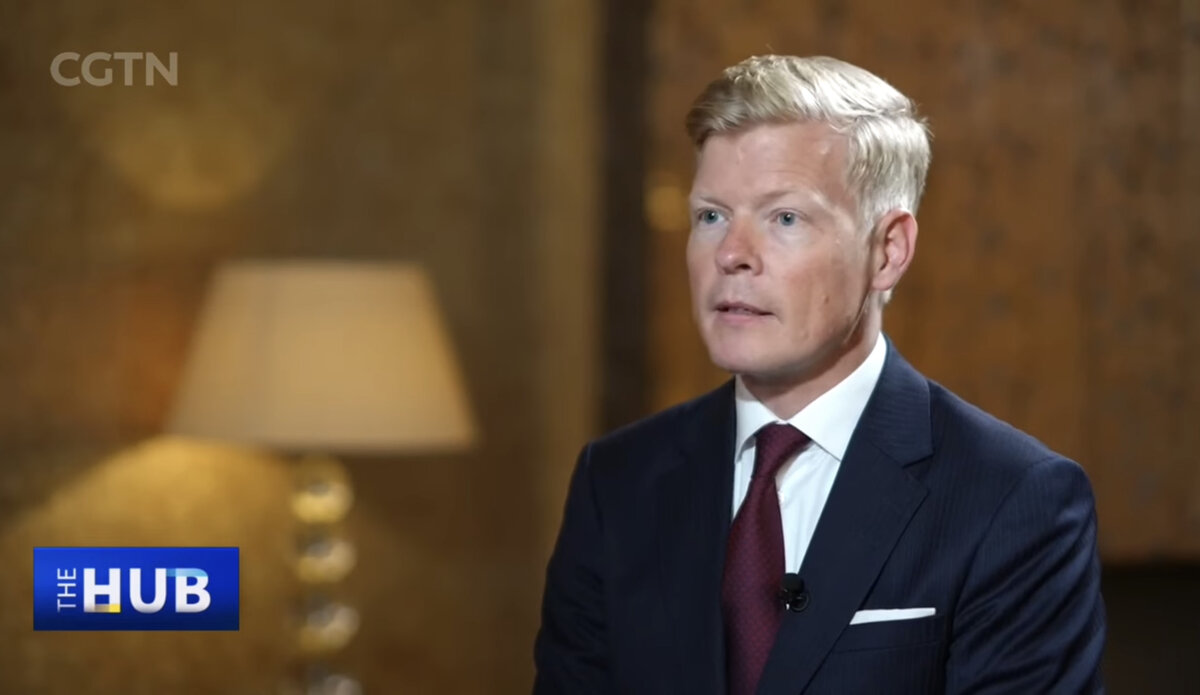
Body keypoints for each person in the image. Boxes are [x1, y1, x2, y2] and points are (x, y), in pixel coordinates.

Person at [533, 54, 1105, 694]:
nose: (731, 255)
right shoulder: (617, 483)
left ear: (888, 251)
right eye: (711, 216)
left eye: (785, 218)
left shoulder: (1014, 498)